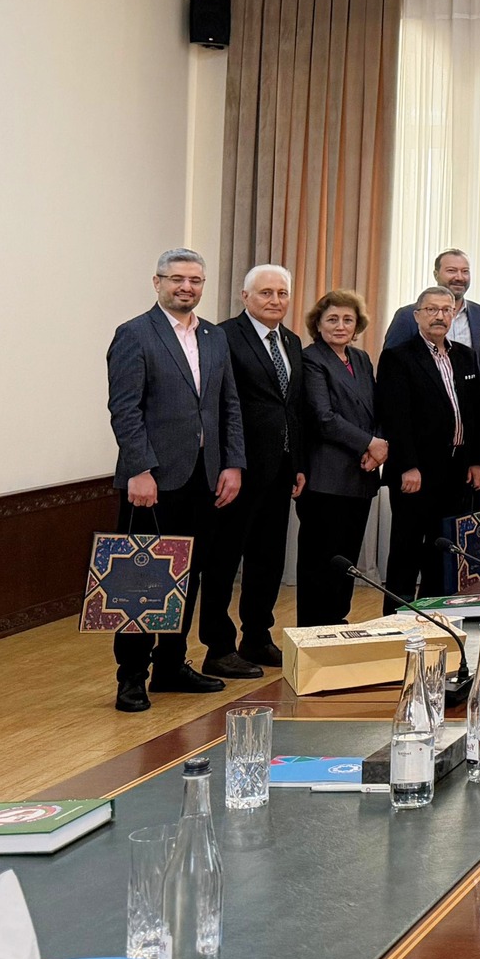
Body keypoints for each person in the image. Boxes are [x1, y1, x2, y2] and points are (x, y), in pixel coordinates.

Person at [104, 249, 244, 713]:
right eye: (177, 279)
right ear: (157, 282)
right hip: (154, 481)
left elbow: (228, 405)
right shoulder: (134, 333)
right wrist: (139, 469)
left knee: (188, 574)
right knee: (142, 579)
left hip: (206, 476)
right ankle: (131, 676)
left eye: (195, 280)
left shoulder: (214, 336)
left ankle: (170, 665)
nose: (187, 287)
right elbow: (124, 409)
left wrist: (232, 464)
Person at [207, 264, 310, 676]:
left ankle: (256, 637)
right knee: (223, 559)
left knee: (267, 559)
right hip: (238, 470)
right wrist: (229, 462)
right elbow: (218, 405)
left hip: (280, 469)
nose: (275, 300)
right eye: (266, 293)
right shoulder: (223, 337)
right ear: (245, 296)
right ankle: (218, 646)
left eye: (282, 293)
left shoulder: (291, 340)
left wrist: (297, 462)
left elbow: (292, 408)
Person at [376, 285, 480, 605]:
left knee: (443, 551)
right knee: (407, 550)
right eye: (431, 309)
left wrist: (479, 461)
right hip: (416, 473)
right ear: (417, 316)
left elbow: (479, 413)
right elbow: (395, 417)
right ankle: (396, 620)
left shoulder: (465, 356)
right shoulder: (398, 357)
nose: (439, 316)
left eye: (446, 310)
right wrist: (408, 465)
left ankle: (435, 614)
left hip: (457, 471)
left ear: (454, 315)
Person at [294, 287, 385, 627]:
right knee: (319, 559)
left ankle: (337, 621)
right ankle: (313, 629)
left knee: (346, 558)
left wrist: (377, 447)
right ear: (317, 324)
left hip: (361, 474)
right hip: (325, 477)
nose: (340, 325)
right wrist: (368, 443)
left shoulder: (360, 359)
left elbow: (375, 408)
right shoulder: (310, 358)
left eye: (348, 319)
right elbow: (323, 416)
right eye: (332, 319)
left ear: (357, 325)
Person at [384, 248, 480, 385]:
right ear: (436, 275)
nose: (459, 277)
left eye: (465, 271)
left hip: (470, 396)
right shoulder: (408, 315)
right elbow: (391, 365)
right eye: (451, 270)